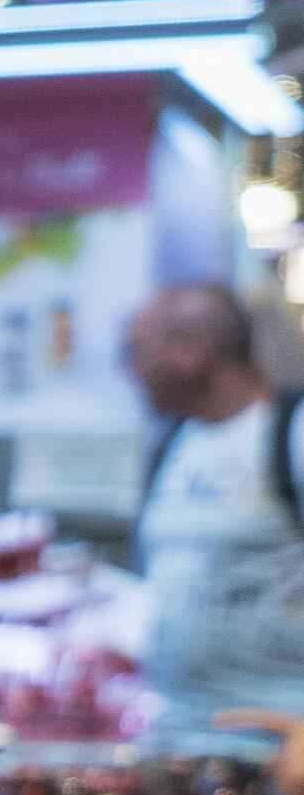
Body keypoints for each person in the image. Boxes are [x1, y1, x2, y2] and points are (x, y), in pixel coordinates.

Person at [120, 281, 304, 756]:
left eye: (137, 351)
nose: (130, 369)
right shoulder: (173, 443)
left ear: (191, 354)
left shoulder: (290, 435)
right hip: (178, 744)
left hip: (279, 749)